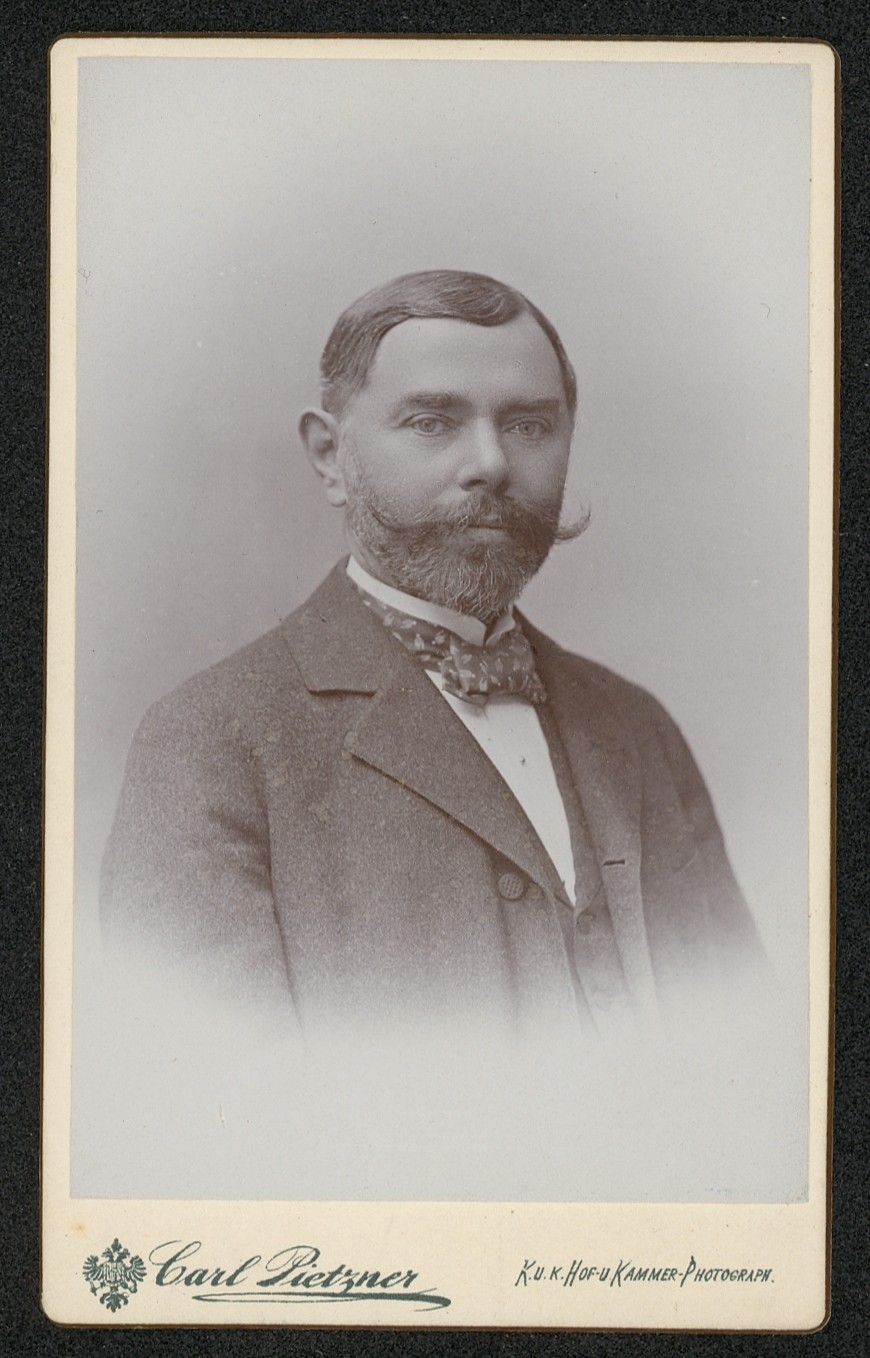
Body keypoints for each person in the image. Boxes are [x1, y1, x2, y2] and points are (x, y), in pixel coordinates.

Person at [101, 269, 764, 1068]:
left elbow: (744, 1057)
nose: (490, 463)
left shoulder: (638, 727)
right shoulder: (209, 742)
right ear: (329, 456)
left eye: (529, 424)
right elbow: (218, 1108)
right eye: (431, 422)